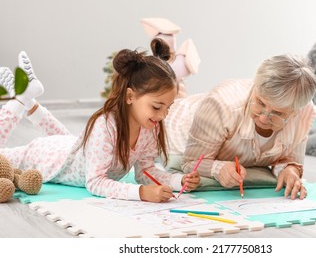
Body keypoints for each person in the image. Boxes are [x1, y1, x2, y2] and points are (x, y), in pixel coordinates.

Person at [0, 43, 200, 203]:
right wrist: (141, 193)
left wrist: (177, 180)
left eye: (169, 107)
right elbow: (95, 182)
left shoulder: (150, 128)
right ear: (130, 96)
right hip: (49, 157)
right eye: (157, 107)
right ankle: (20, 101)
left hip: (71, 148)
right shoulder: (105, 126)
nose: (163, 115)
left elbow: (145, 170)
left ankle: (29, 100)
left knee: (65, 139)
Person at [165, 54, 316, 200]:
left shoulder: (305, 112)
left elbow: (289, 159)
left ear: (295, 112)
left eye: (277, 113)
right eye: (261, 102)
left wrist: (290, 170)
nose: (263, 118)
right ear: (255, 86)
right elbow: (190, 162)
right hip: (177, 124)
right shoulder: (222, 104)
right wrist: (219, 169)